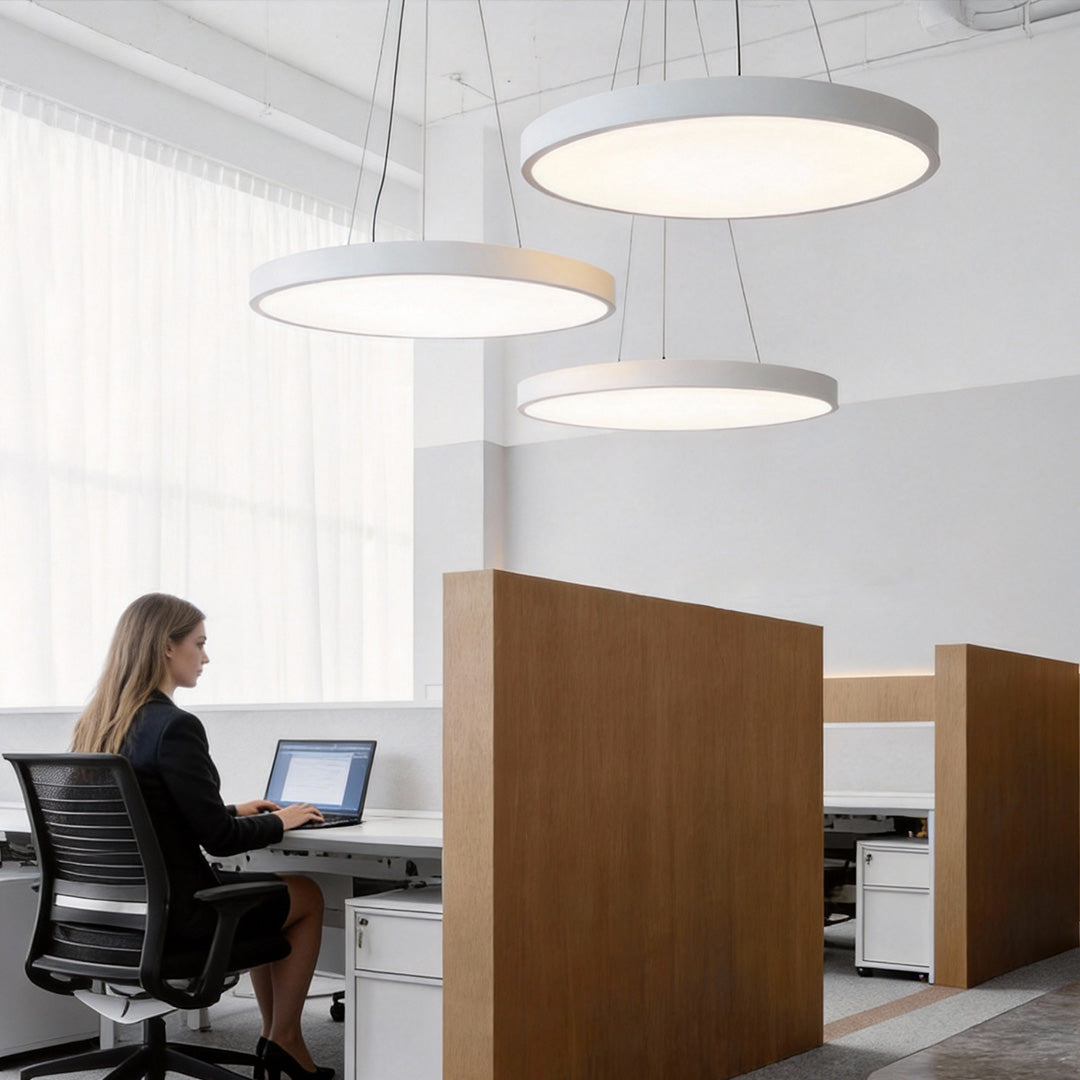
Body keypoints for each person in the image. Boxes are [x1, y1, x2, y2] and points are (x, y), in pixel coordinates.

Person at [71, 593, 332, 1080]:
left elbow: (147, 814)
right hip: (178, 920)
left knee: (262, 896)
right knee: (308, 895)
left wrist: (235, 808)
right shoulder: (174, 726)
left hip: (113, 920)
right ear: (167, 647)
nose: (206, 657)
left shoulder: (98, 726)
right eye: (200, 643)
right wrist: (285, 819)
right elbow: (219, 839)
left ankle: (277, 1037)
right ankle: (285, 1039)